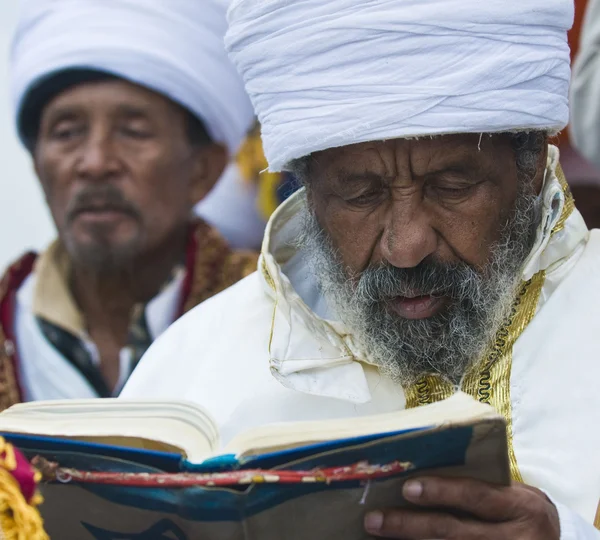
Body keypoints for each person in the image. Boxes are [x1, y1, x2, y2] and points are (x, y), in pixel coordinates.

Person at [123, 0, 600, 537]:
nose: (406, 246)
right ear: (307, 192)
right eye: (359, 195)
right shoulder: (190, 378)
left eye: (452, 188)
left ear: (531, 162)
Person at [0, 0, 258, 408]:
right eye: (67, 133)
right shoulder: (8, 323)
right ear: (37, 164)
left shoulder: (278, 322)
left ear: (203, 170)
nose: (96, 162)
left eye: (133, 132)